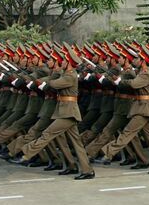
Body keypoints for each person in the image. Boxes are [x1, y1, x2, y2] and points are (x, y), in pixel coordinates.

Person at [13, 44, 95, 180]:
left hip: (68, 113)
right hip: (65, 111)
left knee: (47, 134)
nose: (61, 62)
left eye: (63, 60)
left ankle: (25, 153)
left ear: (68, 62)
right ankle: (82, 169)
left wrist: (43, 82)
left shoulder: (70, 76)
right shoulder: (66, 74)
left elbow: (54, 84)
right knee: (76, 143)